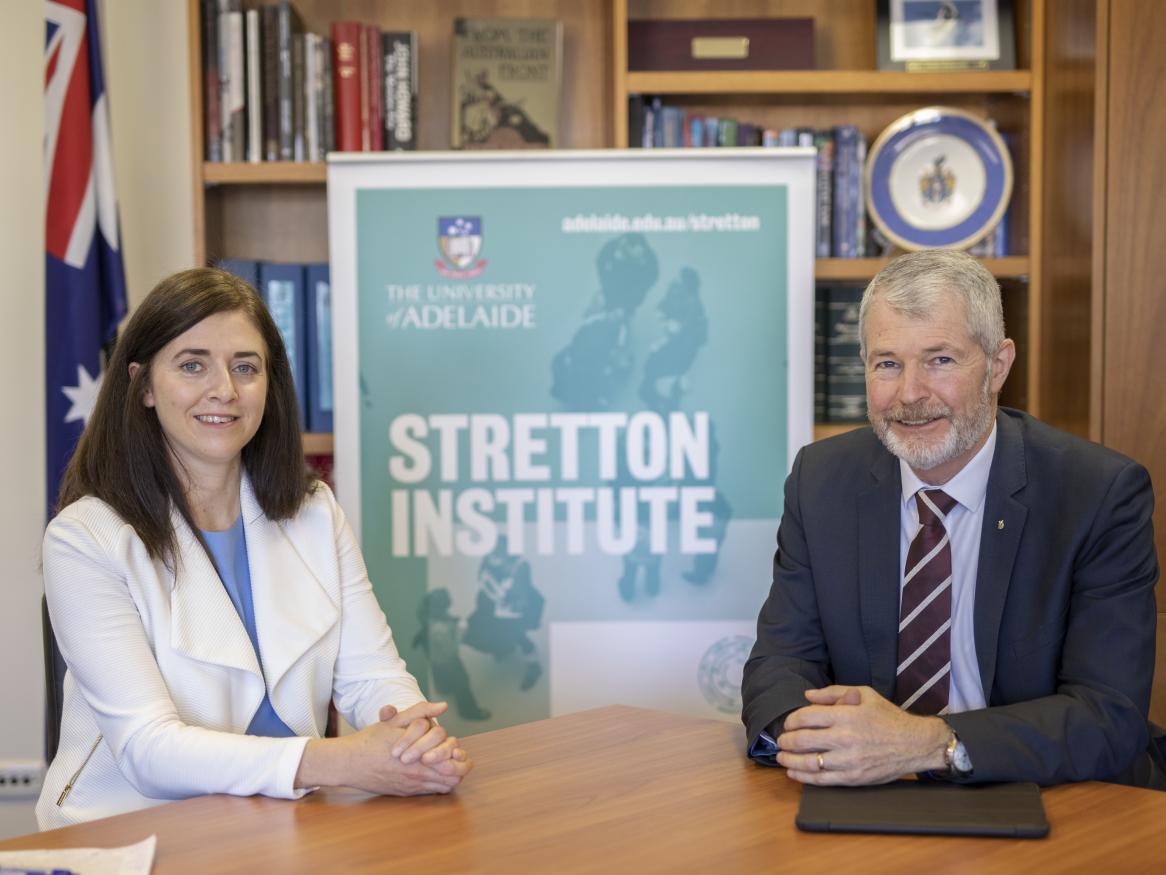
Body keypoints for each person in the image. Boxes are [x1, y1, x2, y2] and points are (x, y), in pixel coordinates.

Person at [38, 268, 472, 829]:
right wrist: (344, 761)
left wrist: (411, 738)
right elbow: (148, 751)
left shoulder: (315, 512)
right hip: (136, 832)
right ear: (143, 386)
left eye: (246, 367)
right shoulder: (85, 538)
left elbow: (371, 676)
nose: (225, 389)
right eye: (192, 365)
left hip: (286, 825)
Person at [742, 248, 1163, 788]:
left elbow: (1108, 718)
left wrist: (925, 743)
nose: (910, 394)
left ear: (998, 365)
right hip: (869, 791)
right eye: (887, 363)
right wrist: (830, 743)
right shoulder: (821, 479)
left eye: (940, 360)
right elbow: (778, 666)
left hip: (1045, 795)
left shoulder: (1098, 494)